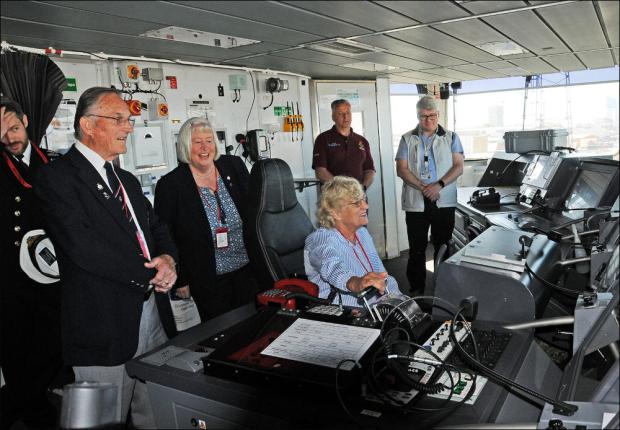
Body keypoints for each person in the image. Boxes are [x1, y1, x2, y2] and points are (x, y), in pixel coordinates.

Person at [34, 87, 178, 428]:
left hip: (152, 316)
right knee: (100, 421)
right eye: (118, 119)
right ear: (87, 124)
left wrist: (168, 259)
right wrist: (150, 274)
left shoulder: (125, 180)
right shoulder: (56, 178)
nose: (128, 127)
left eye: (128, 120)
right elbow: (83, 247)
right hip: (102, 324)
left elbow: (155, 226)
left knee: (153, 414)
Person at [154, 117, 258, 321]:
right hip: (206, 277)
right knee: (221, 331)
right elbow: (166, 236)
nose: (204, 147)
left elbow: (253, 210)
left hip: (247, 269)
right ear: (185, 146)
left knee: (254, 324)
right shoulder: (170, 185)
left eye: (209, 141)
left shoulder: (233, 166)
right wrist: (181, 279)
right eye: (197, 142)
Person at [0, 98, 64, 429]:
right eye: (1, 133)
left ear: (25, 121)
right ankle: (34, 413)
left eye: (14, 128)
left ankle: (22, 405)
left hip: (50, 277)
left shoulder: (52, 165)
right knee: (15, 351)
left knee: (51, 345)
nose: (9, 137)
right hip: (10, 281)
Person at [395, 95, 464, 294]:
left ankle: (443, 289)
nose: (429, 120)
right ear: (418, 116)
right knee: (417, 248)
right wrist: (424, 187)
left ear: (438, 114)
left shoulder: (451, 137)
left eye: (432, 115)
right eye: (424, 116)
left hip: (443, 200)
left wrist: (439, 185)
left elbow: (458, 166)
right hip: (416, 200)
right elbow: (402, 169)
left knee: (443, 246)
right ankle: (416, 289)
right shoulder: (407, 138)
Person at [304, 176, 400, 307]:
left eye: (364, 199)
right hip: (346, 313)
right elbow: (332, 267)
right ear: (335, 212)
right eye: (356, 203)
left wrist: (402, 301)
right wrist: (356, 283)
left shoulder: (362, 233)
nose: (366, 206)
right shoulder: (320, 239)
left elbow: (383, 276)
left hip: (378, 307)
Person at [312, 99, 375, 189]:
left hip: (358, 194)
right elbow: (320, 172)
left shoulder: (362, 141)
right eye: (340, 113)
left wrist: (363, 187)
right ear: (333, 117)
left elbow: (369, 170)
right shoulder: (323, 139)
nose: (345, 117)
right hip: (334, 194)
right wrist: (343, 190)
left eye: (348, 113)